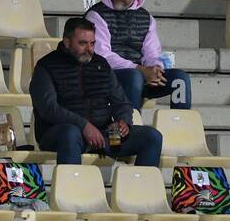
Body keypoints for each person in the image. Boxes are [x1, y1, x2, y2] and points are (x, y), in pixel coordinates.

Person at [29, 16, 163, 166]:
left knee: (152, 137)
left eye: (92, 44)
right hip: (61, 134)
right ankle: (71, 188)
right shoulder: (46, 66)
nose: (89, 49)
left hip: (104, 135)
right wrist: (84, 126)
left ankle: (141, 188)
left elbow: (122, 102)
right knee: (70, 133)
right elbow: (49, 109)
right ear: (67, 42)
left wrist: (123, 122)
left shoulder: (101, 64)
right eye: (83, 43)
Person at [86, 0, 192, 113]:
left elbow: (152, 53)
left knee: (180, 79)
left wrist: (155, 70)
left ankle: (181, 128)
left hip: (139, 75)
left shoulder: (147, 18)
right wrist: (141, 70)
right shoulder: (96, 15)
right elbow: (102, 56)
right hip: (106, 76)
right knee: (134, 76)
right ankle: (133, 128)